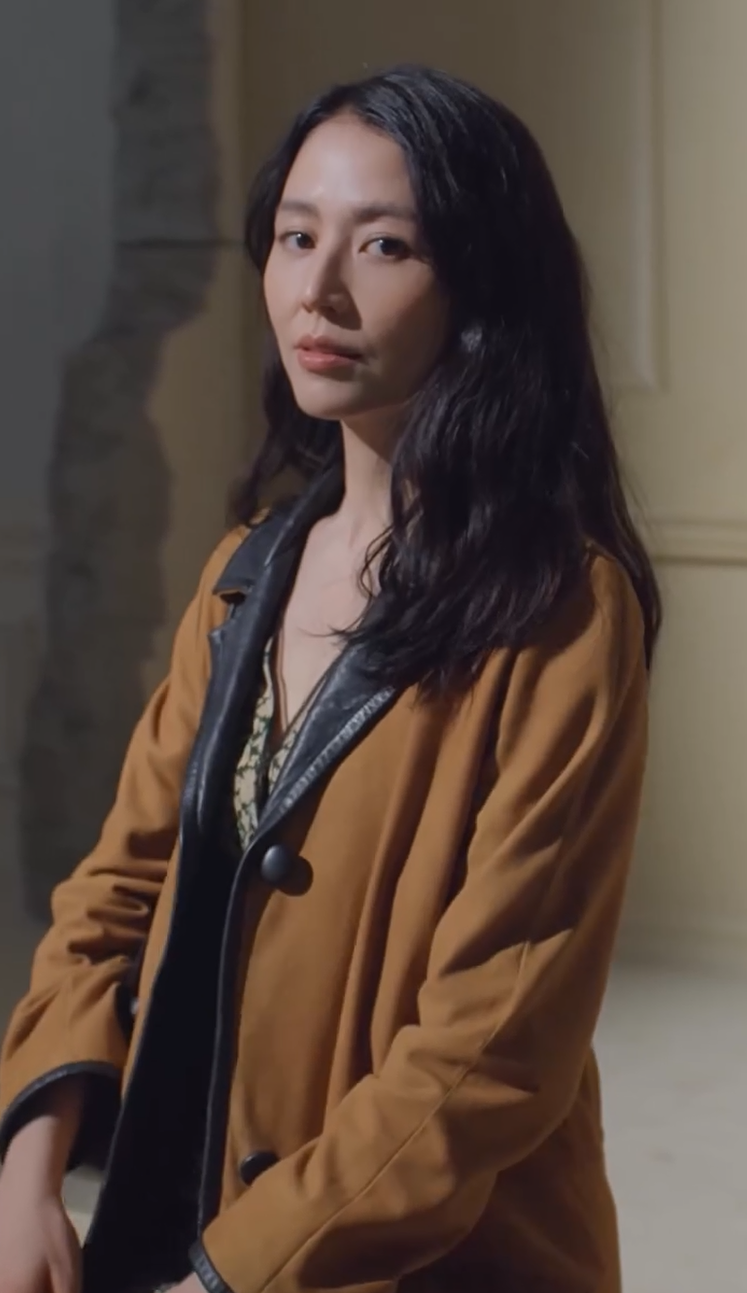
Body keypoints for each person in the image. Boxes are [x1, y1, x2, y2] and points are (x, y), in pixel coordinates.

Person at [0, 65, 660, 1293]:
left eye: (385, 245)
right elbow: (117, 889)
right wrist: (29, 1166)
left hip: (421, 1260)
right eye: (297, 236)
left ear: (480, 284)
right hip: (174, 1215)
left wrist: (228, 1277)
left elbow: (490, 1049)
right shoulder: (244, 573)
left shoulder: (561, 610)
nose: (319, 289)